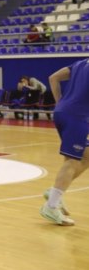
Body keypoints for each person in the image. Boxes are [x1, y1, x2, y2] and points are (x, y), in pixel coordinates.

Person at [39, 59, 89, 226]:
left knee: (82, 156)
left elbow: (53, 77)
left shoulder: (80, 64)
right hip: (77, 117)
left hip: (62, 112)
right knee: (74, 161)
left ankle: (54, 192)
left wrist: (60, 102)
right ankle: (51, 206)